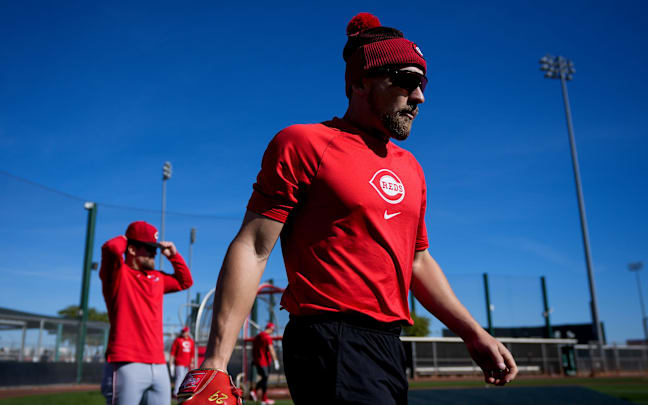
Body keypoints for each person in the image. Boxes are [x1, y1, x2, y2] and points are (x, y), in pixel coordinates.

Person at [178, 12, 518, 405]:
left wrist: (473, 332)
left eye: (422, 83)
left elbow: (418, 262)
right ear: (360, 81)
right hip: (329, 339)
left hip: (389, 344)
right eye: (406, 81)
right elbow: (254, 247)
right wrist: (216, 362)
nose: (420, 97)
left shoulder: (412, 168)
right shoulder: (303, 143)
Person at [100, 221, 193, 405]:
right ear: (132, 249)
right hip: (126, 363)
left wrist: (174, 256)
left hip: (159, 365)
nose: (155, 253)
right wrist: (126, 238)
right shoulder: (118, 274)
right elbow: (110, 248)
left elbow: (185, 282)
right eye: (149, 248)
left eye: (155, 248)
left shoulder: (157, 278)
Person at [249, 323, 279, 405]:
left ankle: (260, 396)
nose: (272, 332)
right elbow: (271, 349)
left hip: (257, 361)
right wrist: (276, 361)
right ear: (271, 329)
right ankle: (261, 398)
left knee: (264, 378)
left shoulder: (258, 336)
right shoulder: (267, 337)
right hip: (264, 361)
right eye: (273, 330)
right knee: (265, 378)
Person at [169, 327, 195, 399]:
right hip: (179, 362)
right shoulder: (177, 340)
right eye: (183, 332)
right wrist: (171, 364)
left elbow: (192, 354)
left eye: (185, 332)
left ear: (187, 332)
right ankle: (175, 393)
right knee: (179, 377)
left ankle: (182, 392)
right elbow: (173, 352)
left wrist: (192, 363)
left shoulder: (191, 341)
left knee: (185, 378)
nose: (183, 333)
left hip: (187, 363)